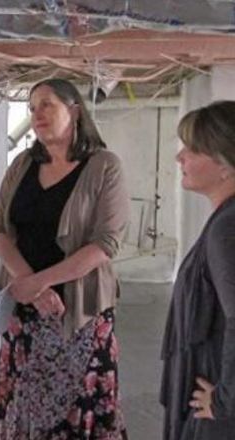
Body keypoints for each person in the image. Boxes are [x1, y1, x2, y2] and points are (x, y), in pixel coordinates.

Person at [0, 78, 130, 439]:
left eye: (47, 104)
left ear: (75, 111)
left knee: (79, 403)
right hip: (26, 313)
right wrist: (31, 285)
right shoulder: (21, 165)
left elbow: (105, 244)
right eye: (32, 108)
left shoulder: (104, 167)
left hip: (80, 314)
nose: (37, 114)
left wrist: (42, 282)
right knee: (23, 402)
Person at [161, 101, 235, 440]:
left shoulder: (227, 228)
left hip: (215, 409)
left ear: (225, 165)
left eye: (192, 149)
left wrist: (225, 400)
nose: (180, 158)